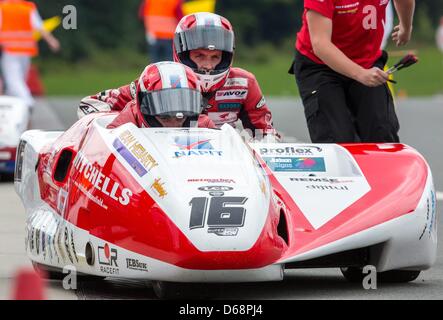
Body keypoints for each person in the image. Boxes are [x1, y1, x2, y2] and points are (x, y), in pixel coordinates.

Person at [289, 0, 415, 143]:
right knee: (338, 141)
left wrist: (406, 26)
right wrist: (360, 74)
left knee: (382, 134)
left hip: (366, 60)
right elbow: (320, 44)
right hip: (320, 65)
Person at [173, 12, 276, 138]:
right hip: (174, 151)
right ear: (182, 54)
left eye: (215, 57)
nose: (208, 66)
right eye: (200, 56)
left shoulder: (244, 83)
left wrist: (268, 141)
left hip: (226, 153)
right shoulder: (162, 81)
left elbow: (265, 133)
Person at [81, 62, 215, 129]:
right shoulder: (125, 124)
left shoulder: (204, 125)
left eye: (180, 116)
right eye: (165, 116)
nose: (174, 124)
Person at [0, 0, 60, 108]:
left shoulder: (2, 7)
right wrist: (52, 41)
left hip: (9, 50)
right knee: (19, 80)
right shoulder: (27, 7)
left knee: (13, 80)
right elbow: (39, 26)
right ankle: (16, 106)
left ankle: (27, 103)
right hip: (25, 50)